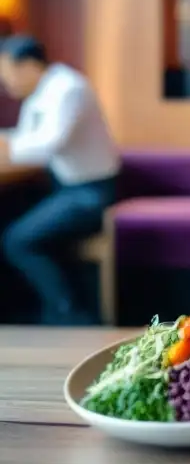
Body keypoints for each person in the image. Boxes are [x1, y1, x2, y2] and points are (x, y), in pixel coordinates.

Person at [0, 36, 120, 324]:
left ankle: (69, 315)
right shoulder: (40, 92)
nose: (6, 84)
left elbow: (48, 144)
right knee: (15, 217)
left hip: (91, 192)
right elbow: (27, 141)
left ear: (28, 66)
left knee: (17, 241)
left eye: (6, 73)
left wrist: (5, 143)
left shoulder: (68, 88)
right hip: (65, 188)